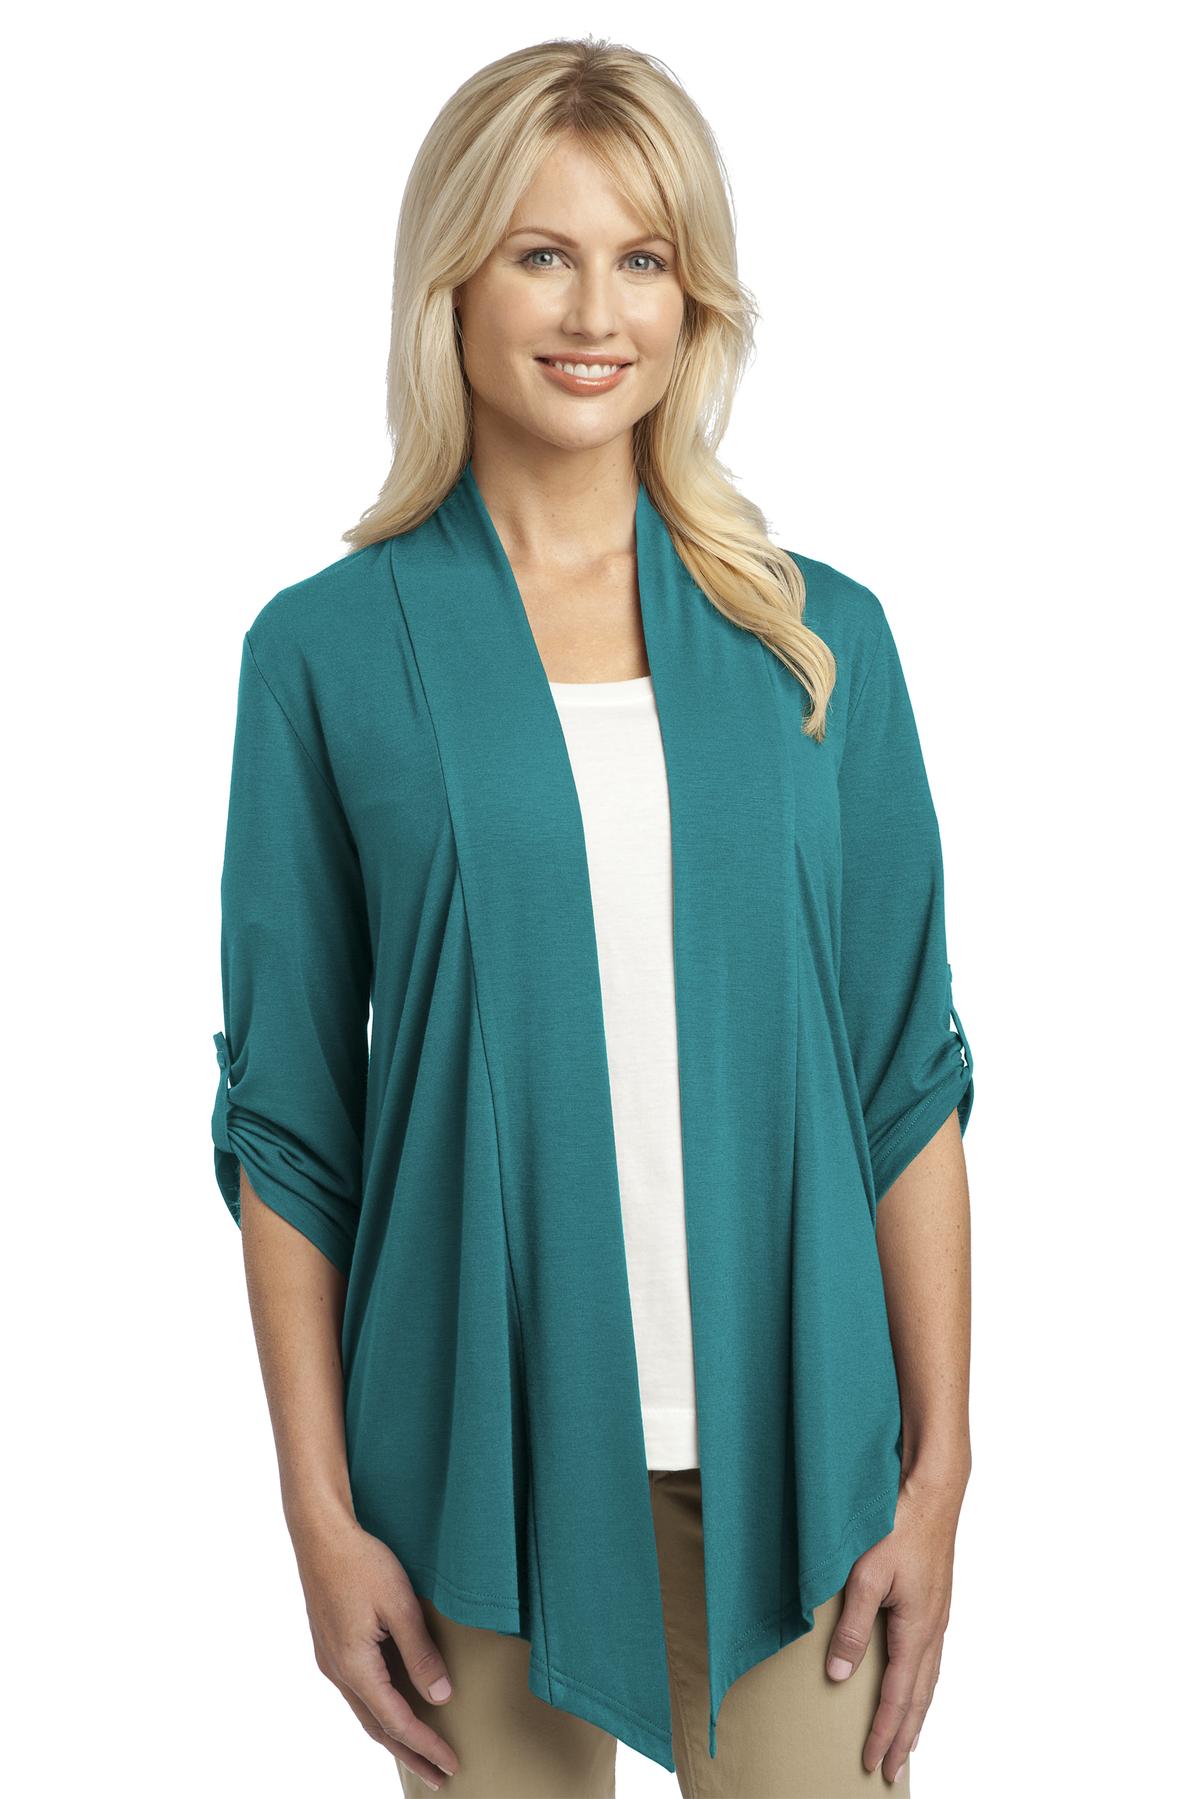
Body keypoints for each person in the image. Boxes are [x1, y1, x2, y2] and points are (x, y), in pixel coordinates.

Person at [209, 35, 975, 1799]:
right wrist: (320, 1520)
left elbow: (907, 1079)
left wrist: (938, 1480)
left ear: (694, 299)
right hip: (468, 1468)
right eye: (540, 253)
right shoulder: (324, 657)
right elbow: (290, 1126)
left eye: (643, 258)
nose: (593, 312)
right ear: (453, 279)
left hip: (803, 1466)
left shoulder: (817, 641)